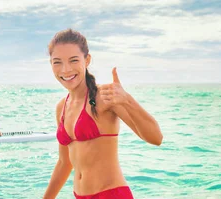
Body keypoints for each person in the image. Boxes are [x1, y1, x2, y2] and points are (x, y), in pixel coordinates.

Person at [43, 29, 163, 199]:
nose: (66, 69)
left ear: (87, 60)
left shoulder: (105, 97)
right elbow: (64, 163)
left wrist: (127, 100)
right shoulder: (61, 107)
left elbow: (156, 138)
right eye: (57, 62)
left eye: (73, 60)